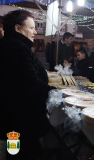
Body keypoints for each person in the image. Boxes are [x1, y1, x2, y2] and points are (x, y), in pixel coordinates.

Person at [0, 10, 56, 159]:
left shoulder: (12, 45)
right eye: (31, 28)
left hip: (13, 118)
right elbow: (30, 84)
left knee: (13, 150)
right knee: (23, 153)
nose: (35, 31)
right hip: (20, 120)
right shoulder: (16, 48)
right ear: (17, 28)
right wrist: (56, 93)